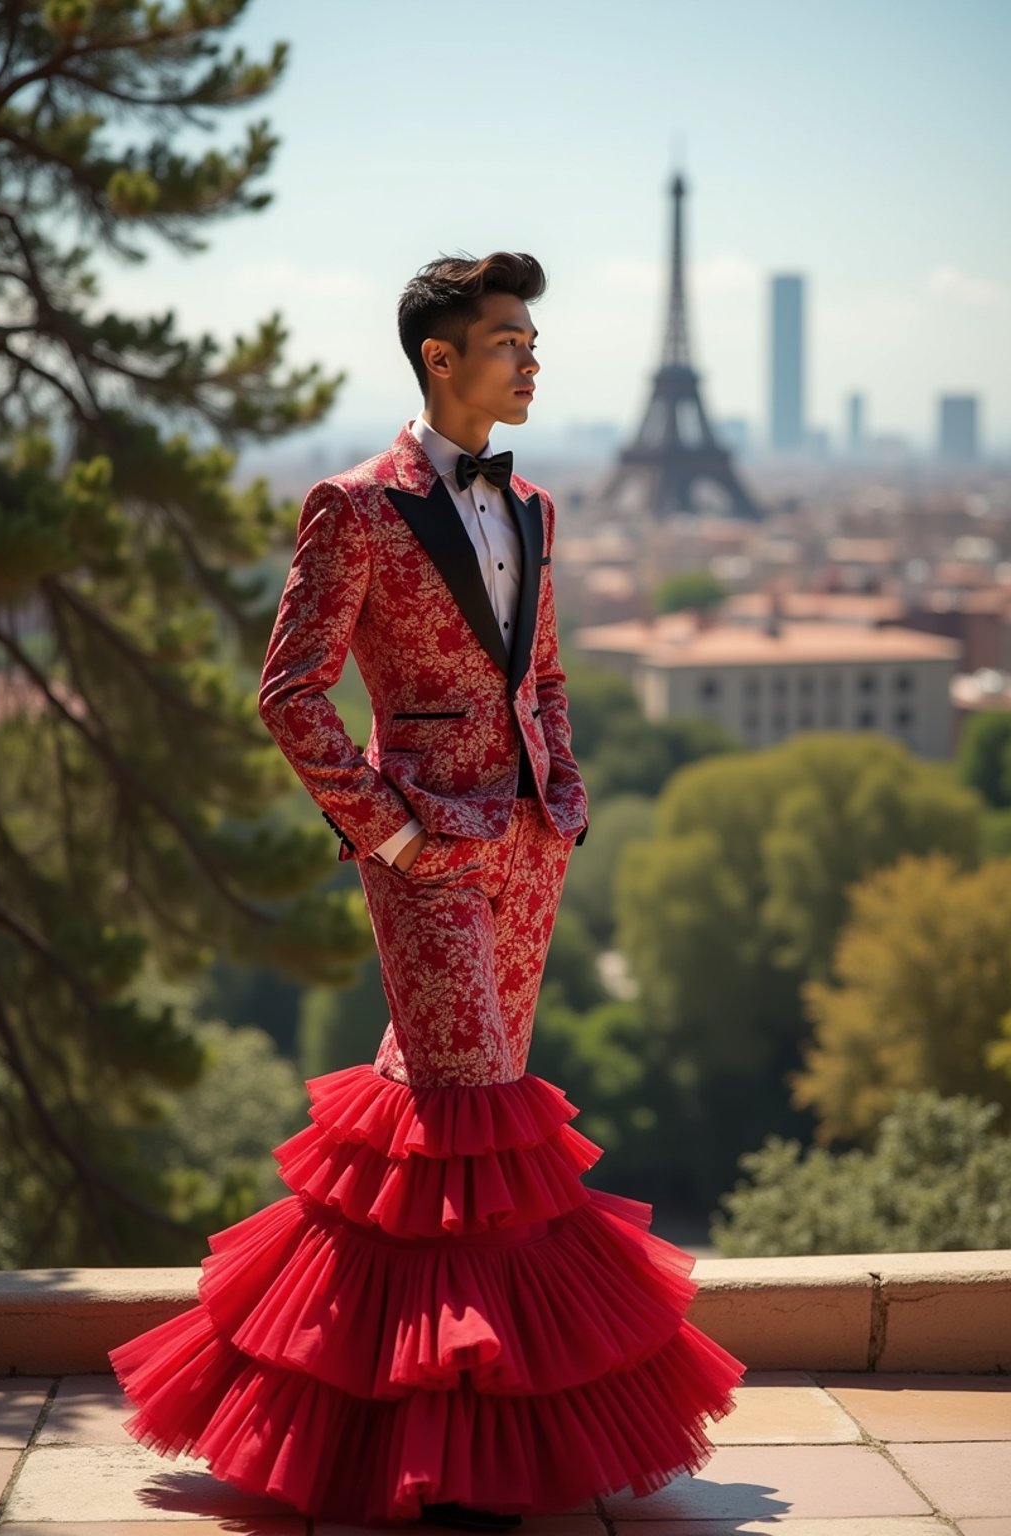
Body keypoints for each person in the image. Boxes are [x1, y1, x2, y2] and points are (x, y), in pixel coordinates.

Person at [108, 250, 746, 1529]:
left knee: (467, 1121)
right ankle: (453, 1460)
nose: (531, 356)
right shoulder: (355, 507)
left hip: (523, 854)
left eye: (532, 338)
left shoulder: (540, 509)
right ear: (439, 358)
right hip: (424, 856)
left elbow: (543, 678)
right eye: (508, 338)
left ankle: (394, 1407)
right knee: (466, 1118)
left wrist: (562, 801)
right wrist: (388, 837)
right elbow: (290, 693)